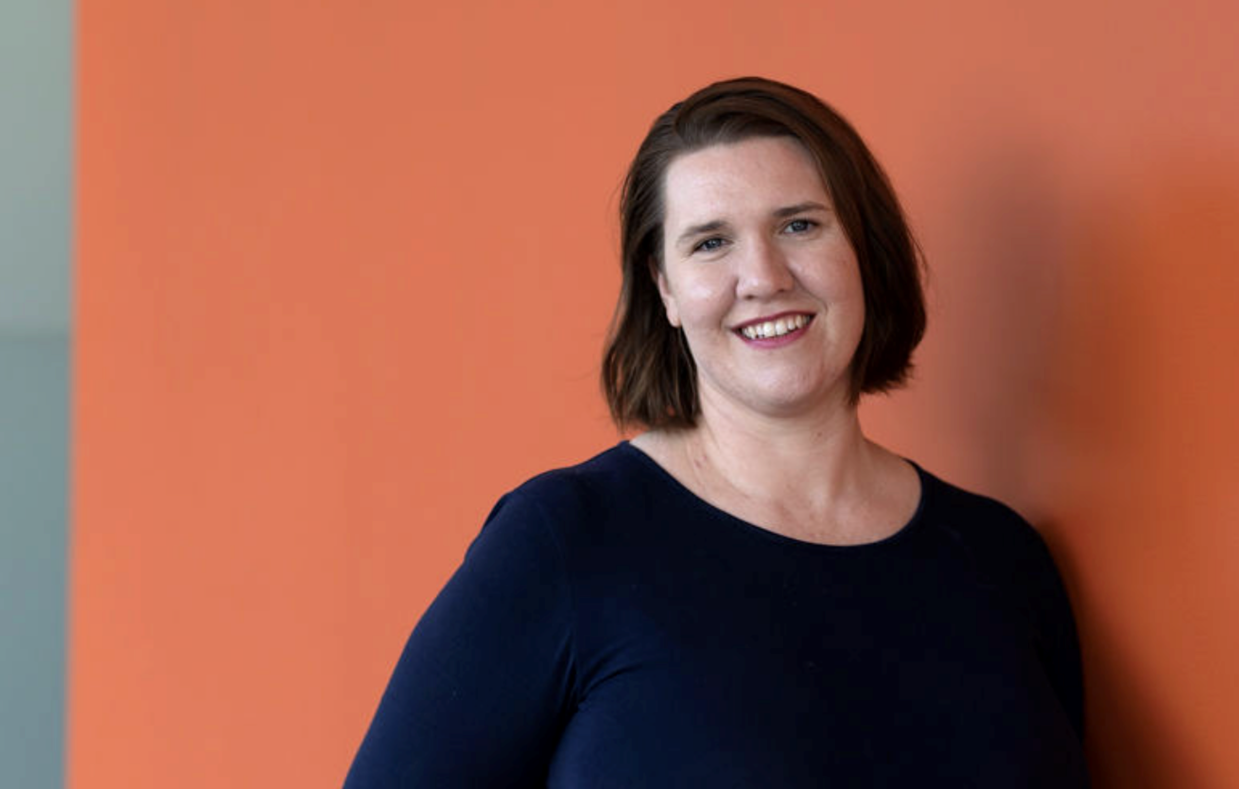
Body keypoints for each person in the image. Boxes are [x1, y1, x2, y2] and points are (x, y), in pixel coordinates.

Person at [344, 77, 1089, 787]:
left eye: (799, 225)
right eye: (709, 243)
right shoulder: (566, 544)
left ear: (865, 252)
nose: (763, 276)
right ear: (665, 290)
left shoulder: (1001, 559)